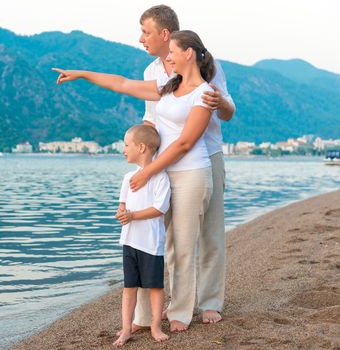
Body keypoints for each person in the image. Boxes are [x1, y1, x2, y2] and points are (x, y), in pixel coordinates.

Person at [52, 29, 222, 332]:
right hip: (164, 173)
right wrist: (81, 74)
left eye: (172, 52)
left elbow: (184, 143)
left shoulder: (204, 93)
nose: (167, 57)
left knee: (182, 246)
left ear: (189, 54)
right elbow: (123, 84)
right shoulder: (170, 87)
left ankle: (180, 312)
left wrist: (147, 170)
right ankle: (145, 317)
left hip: (191, 175)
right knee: (154, 243)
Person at [135, 4, 235, 331]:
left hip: (207, 157)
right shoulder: (152, 72)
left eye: (146, 32)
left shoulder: (206, 63)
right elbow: (152, 118)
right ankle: (180, 302)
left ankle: (209, 303)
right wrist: (142, 152)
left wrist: (218, 101)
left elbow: (228, 109)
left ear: (165, 35)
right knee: (174, 238)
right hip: (168, 162)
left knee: (209, 235)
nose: (141, 39)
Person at [113, 124, 171, 347]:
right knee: (129, 287)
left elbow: (160, 209)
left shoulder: (160, 178)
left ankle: (155, 325)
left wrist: (133, 215)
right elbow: (122, 206)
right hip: (129, 241)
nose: (124, 149)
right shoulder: (128, 177)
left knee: (155, 287)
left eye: (127, 145)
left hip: (151, 243)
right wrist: (122, 213)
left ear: (142, 147)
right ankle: (126, 328)